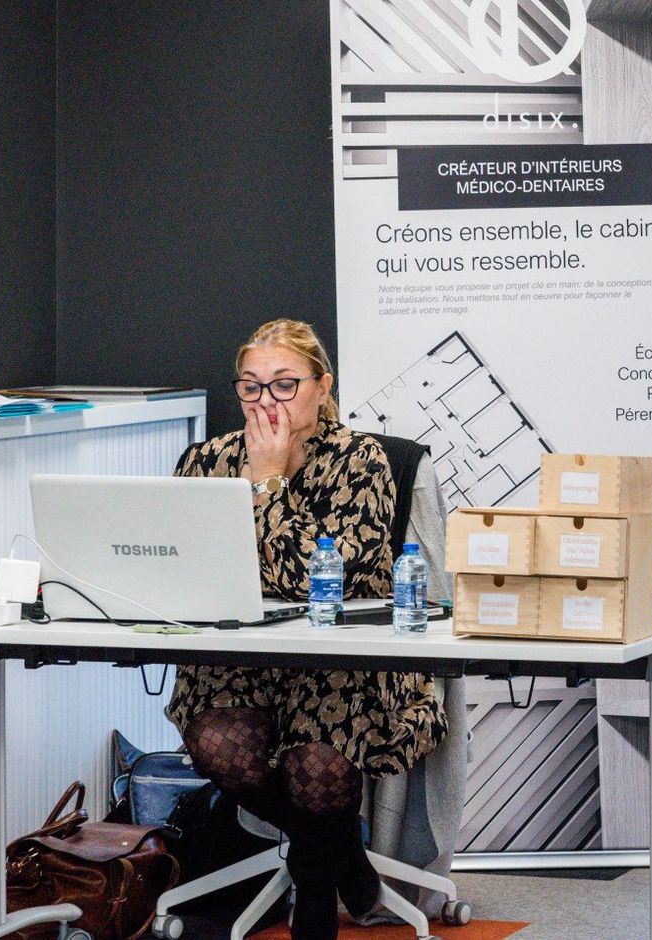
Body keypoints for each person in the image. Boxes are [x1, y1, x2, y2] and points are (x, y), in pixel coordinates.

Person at [164, 319, 445, 940]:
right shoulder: (207, 461)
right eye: (251, 387)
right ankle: (345, 857)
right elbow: (188, 567)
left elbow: (326, 583)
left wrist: (269, 483)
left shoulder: (362, 463)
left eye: (285, 385)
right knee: (218, 745)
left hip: (345, 662)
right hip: (240, 660)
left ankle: (315, 897)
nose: (266, 402)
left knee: (319, 762)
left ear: (323, 387)